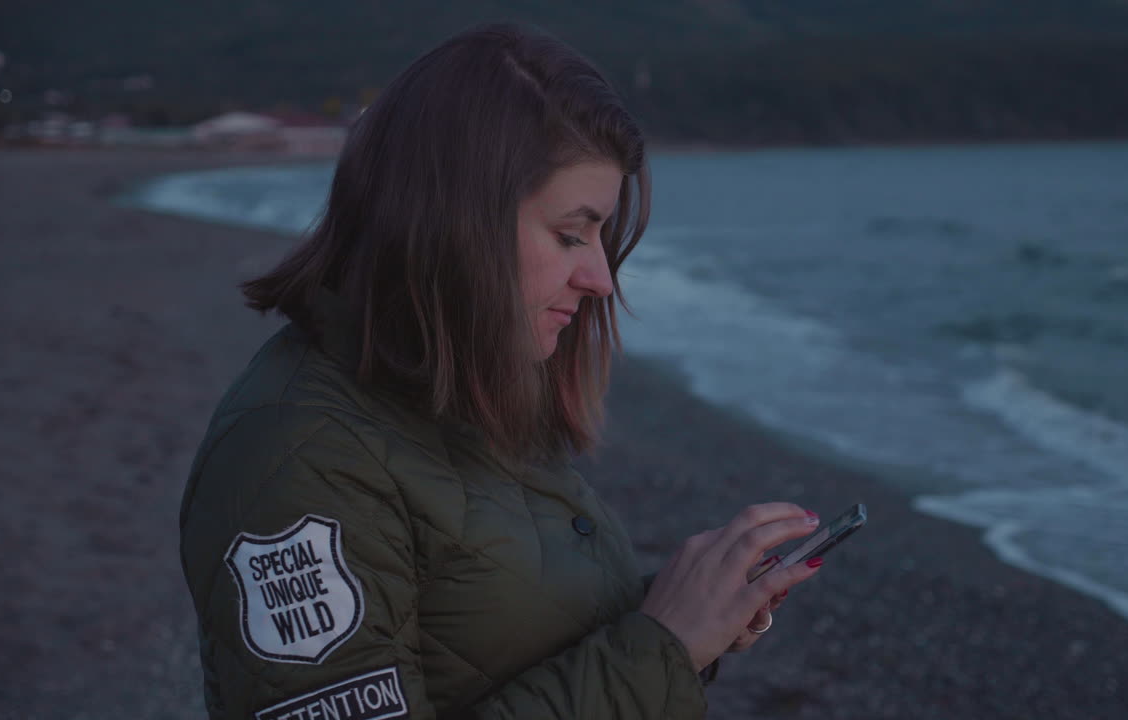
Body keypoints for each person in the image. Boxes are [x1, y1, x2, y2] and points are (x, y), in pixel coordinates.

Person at [178, 21, 826, 720]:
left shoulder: (448, 396)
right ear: (453, 221)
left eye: (602, 238)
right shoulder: (295, 459)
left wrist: (696, 612)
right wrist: (661, 645)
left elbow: (490, 636)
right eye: (570, 234)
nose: (602, 278)